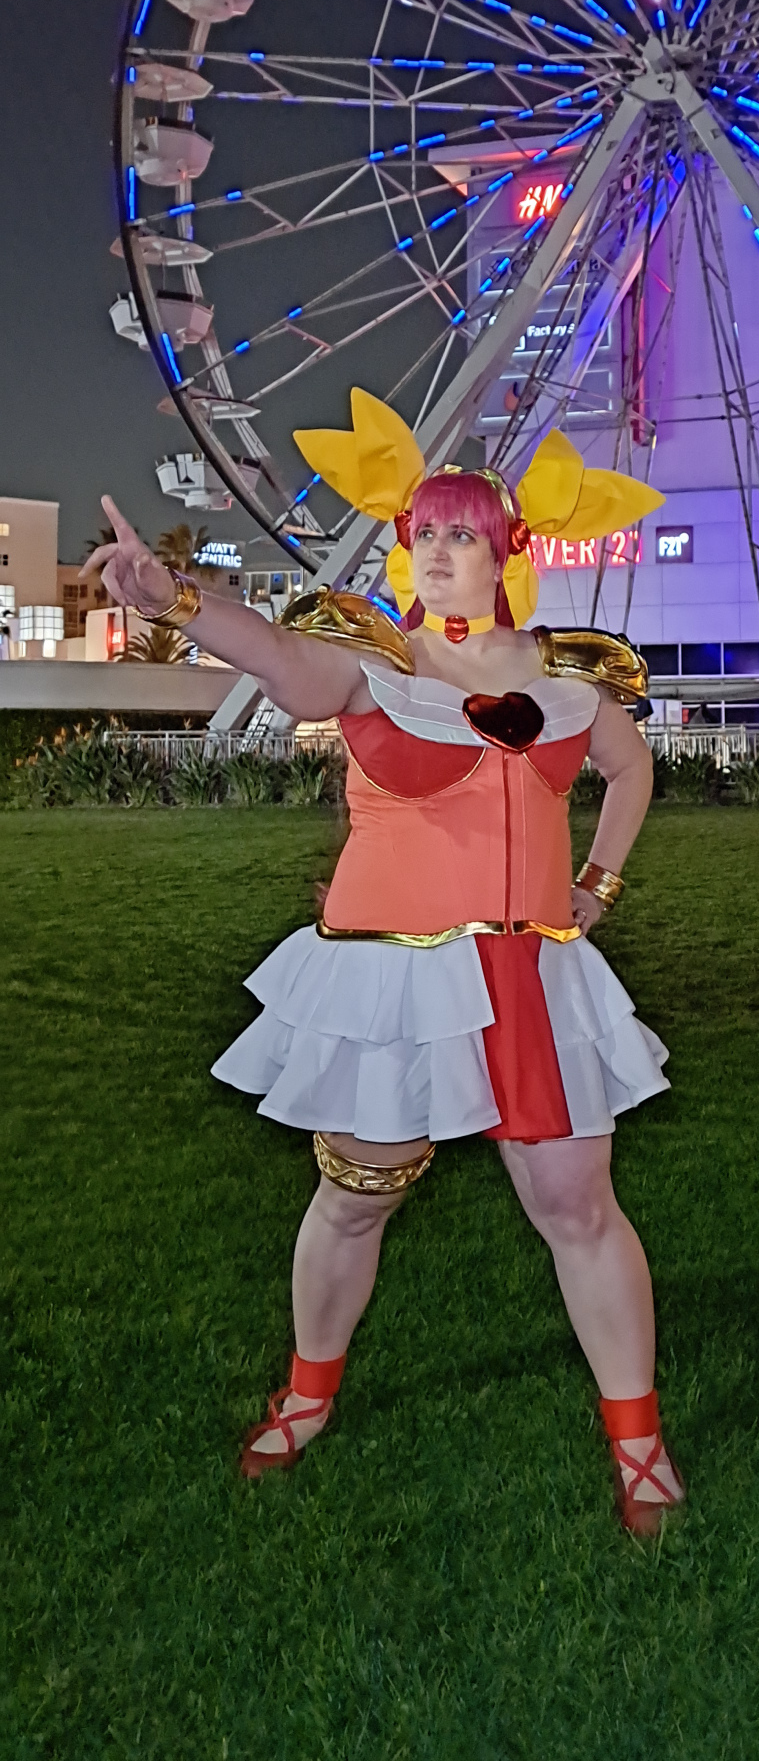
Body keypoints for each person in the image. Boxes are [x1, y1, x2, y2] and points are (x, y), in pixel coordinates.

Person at [85, 469, 683, 1534]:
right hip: (395, 977)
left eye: (464, 533)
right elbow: (280, 659)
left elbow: (630, 771)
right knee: (356, 1192)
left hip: (533, 978)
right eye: (425, 533)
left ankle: (638, 1442)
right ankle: (307, 1393)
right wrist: (173, 595)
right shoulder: (374, 662)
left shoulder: (567, 680)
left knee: (580, 1206)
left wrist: (600, 886)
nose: (441, 547)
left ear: (509, 550)